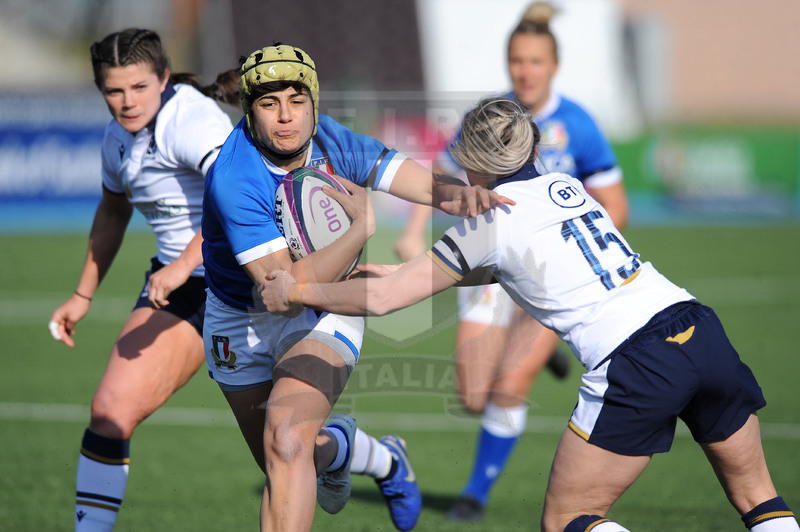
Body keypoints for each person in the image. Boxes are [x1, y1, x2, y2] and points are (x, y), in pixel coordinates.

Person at [260, 97, 800, 532]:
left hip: (637, 360)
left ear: (471, 161)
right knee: (759, 498)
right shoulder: (568, 188)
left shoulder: (485, 223)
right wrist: (402, 277)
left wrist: (301, 292)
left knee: (570, 519)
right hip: (699, 330)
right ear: (534, 145)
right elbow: (520, 263)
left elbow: (384, 302)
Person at [201, 43, 511, 532]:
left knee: (288, 441)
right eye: (269, 103)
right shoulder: (235, 177)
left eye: (296, 100)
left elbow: (426, 185)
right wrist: (361, 230)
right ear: (248, 109)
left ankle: (344, 451)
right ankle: (372, 456)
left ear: (314, 101)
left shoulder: (332, 139)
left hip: (328, 306)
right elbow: (283, 290)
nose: (286, 117)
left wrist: (462, 195)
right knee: (282, 461)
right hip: (239, 318)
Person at [393, 2, 630, 521]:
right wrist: (413, 232)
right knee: (474, 394)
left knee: (509, 386)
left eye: (535, 61)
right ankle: (541, 356)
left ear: (554, 67)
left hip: (553, 279)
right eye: (517, 60)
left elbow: (617, 207)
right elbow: (444, 170)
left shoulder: (577, 124)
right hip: (491, 265)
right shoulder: (491, 117)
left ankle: (475, 492)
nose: (525, 71)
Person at [46, 28, 237, 531]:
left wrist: (180, 264)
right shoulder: (117, 139)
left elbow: (236, 202)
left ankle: (379, 459)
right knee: (110, 408)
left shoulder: (192, 121)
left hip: (251, 283)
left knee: (286, 443)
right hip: (185, 288)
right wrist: (82, 293)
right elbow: (112, 212)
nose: (127, 102)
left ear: (164, 78)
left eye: (138, 88)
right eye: (114, 90)